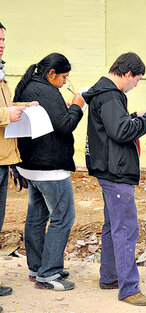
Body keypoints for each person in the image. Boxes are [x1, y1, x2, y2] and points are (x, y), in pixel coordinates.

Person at [83, 52, 146, 306]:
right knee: (126, 229)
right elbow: (120, 131)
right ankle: (129, 288)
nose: (136, 84)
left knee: (113, 226)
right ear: (128, 74)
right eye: (137, 79)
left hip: (107, 169)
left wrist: (135, 116)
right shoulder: (109, 96)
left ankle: (109, 276)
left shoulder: (105, 94)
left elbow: (114, 126)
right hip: (116, 172)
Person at [13, 53, 84, 291]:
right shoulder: (47, 91)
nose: (65, 82)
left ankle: (38, 267)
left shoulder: (28, 86)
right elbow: (65, 125)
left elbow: (51, 119)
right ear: (51, 74)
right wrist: (77, 106)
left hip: (29, 166)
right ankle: (50, 274)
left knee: (36, 217)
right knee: (63, 216)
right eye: (64, 77)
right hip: (50, 167)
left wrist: (64, 109)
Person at [0, 22, 38, 311]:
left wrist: (21, 107)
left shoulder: (1, 74)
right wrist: (6, 113)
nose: (1, 44)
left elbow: (7, 108)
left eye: (3, 39)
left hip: (3, 160)